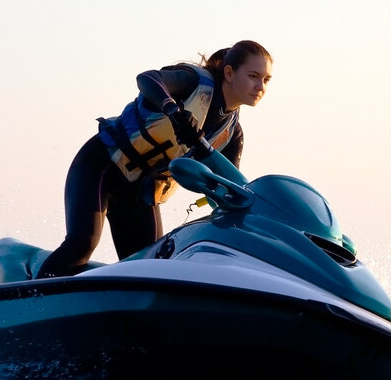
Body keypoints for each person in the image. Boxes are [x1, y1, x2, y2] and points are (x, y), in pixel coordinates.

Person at [28, 39, 273, 278]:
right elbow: (146, 78)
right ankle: (30, 300)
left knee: (151, 271)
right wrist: (173, 111)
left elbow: (228, 190)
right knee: (81, 244)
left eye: (266, 80)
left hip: (139, 193)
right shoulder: (194, 82)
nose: (260, 86)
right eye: (253, 76)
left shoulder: (231, 133)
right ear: (229, 73)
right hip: (102, 165)